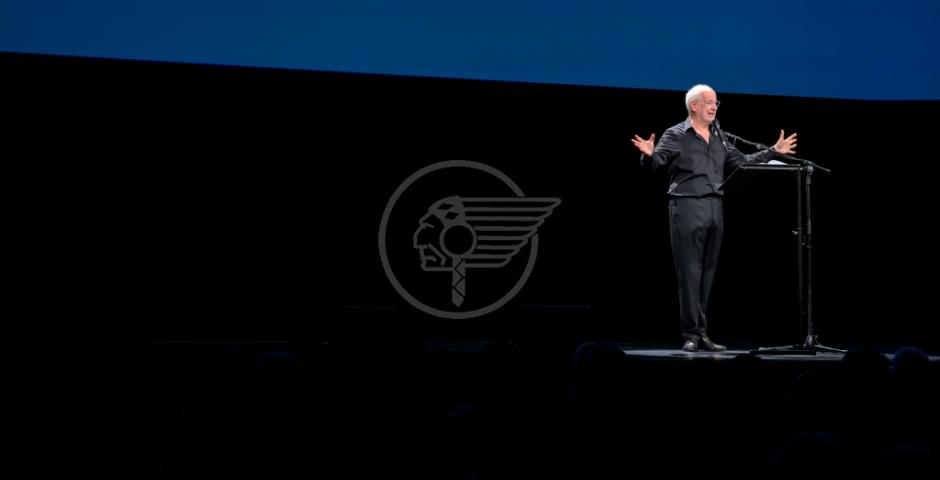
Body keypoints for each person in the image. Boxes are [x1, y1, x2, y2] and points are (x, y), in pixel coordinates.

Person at [632, 84, 797, 352]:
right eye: (709, 102)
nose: (714, 106)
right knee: (689, 272)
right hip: (686, 207)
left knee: (707, 272)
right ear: (694, 106)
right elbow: (657, 161)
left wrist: (773, 151)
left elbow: (741, 160)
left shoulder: (719, 135)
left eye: (716, 102)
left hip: (715, 207)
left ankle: (702, 332)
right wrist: (648, 155)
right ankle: (691, 334)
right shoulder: (676, 134)